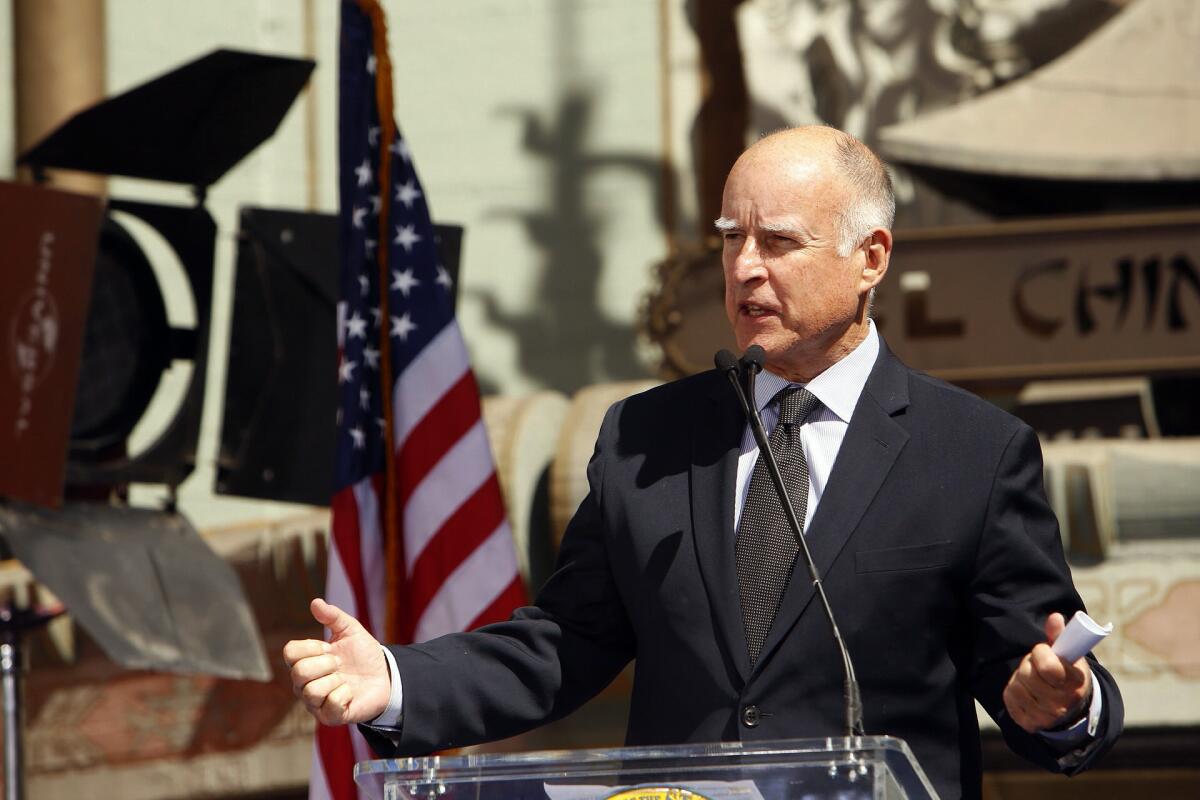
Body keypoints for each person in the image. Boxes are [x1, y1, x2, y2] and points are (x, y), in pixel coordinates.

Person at [284, 126, 1122, 800]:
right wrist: (394, 679)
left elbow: (1036, 671)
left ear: (872, 257)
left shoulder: (971, 451)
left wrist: (1062, 707)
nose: (745, 267)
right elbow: (565, 642)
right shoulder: (646, 437)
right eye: (732, 237)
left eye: (781, 242)